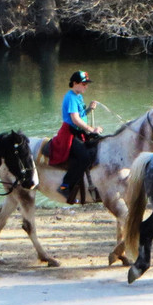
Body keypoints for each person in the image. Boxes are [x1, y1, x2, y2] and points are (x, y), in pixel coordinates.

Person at [54, 70, 104, 204]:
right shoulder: (70, 97)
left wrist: (89, 109)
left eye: (87, 84)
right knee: (84, 157)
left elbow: (80, 114)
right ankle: (65, 186)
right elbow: (75, 119)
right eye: (83, 84)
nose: (86, 86)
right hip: (70, 133)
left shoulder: (78, 96)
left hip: (78, 131)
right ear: (75, 83)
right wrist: (91, 129)